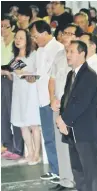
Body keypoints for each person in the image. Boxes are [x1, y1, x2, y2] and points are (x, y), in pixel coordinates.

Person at [57, 40, 97, 191]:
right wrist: (62, 118)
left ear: (82, 54)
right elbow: (66, 100)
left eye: (72, 52)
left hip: (85, 131)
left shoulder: (89, 75)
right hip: (72, 131)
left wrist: (64, 120)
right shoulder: (71, 74)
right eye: (67, 51)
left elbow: (81, 103)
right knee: (78, 170)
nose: (68, 55)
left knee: (91, 171)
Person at [48, 23, 79, 190]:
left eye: (70, 33)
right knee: (60, 144)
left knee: (73, 145)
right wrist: (52, 98)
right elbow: (52, 79)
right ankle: (65, 180)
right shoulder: (59, 55)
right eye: (65, 33)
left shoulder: (80, 56)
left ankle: (76, 180)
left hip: (72, 107)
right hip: (58, 104)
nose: (66, 36)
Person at [29, 20, 60, 181]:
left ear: (45, 33)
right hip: (42, 99)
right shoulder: (40, 51)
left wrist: (53, 97)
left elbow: (57, 77)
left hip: (52, 100)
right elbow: (40, 73)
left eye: (35, 36)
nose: (34, 39)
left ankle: (62, 171)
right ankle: (54, 169)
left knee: (57, 138)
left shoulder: (58, 49)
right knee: (48, 137)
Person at [7, 29, 39, 163]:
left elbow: (36, 72)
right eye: (17, 38)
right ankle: (29, 153)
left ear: (27, 40)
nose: (18, 40)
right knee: (22, 125)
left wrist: (22, 70)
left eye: (21, 38)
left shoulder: (34, 55)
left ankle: (36, 154)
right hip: (18, 92)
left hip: (30, 92)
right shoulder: (14, 57)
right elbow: (13, 74)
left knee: (33, 124)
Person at [80, 32, 97, 158]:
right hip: (87, 112)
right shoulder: (84, 65)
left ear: (92, 46)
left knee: (96, 153)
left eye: (83, 44)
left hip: (96, 111)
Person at [1, 15, 24, 158]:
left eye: (5, 26)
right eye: (0, 26)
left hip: (13, 80)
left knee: (14, 113)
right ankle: (7, 144)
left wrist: (6, 70)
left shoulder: (17, 42)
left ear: (13, 27)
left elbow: (20, 61)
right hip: (2, 79)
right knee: (2, 114)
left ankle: (18, 147)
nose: (2, 29)